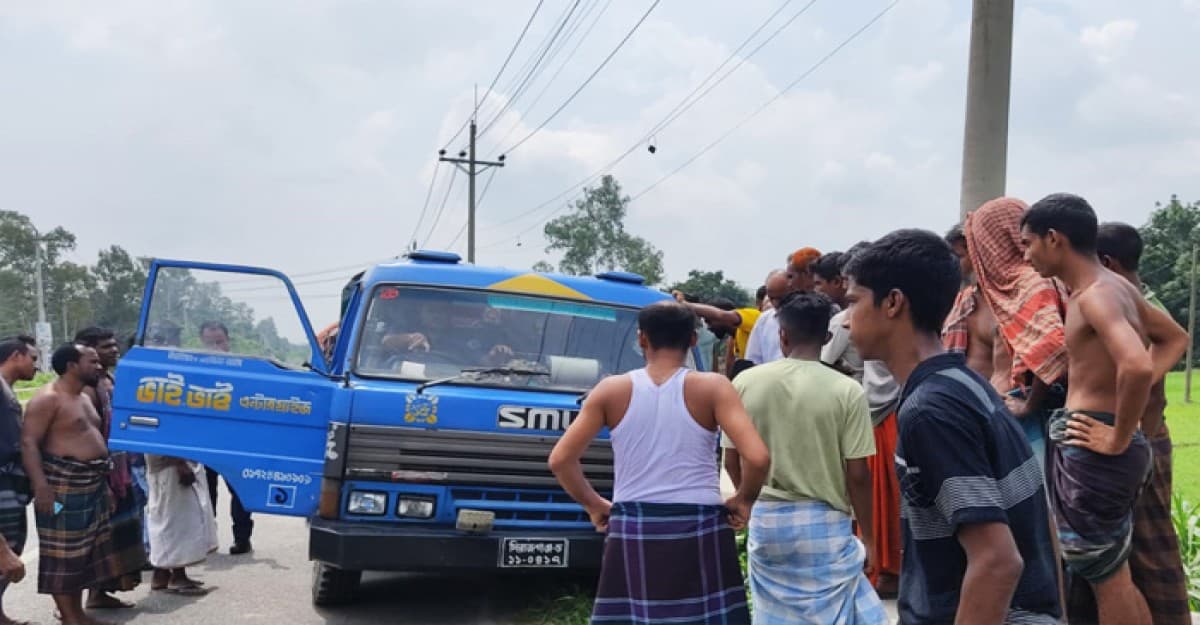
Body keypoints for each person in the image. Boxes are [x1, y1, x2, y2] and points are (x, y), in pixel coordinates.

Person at [844, 229, 1061, 625]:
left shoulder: (930, 412)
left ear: (893, 303)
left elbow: (997, 561)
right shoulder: (967, 385)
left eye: (854, 302)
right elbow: (1044, 525)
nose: (844, 322)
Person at [549, 301, 769, 625]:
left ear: (641, 339)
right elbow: (758, 456)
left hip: (633, 521)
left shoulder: (611, 389)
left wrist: (595, 504)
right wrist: (744, 499)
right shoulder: (713, 387)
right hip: (701, 522)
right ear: (693, 339)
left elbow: (561, 460)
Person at [1021, 194, 1186, 625]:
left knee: (1105, 575)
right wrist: (1130, 405)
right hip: (1104, 439)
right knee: (1109, 569)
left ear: (1054, 238)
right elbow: (1174, 339)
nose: (1027, 255)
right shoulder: (1118, 289)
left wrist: (1117, 434)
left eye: (1028, 243)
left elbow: (1133, 363)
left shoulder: (1095, 295)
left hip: (1097, 446)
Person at [1060, 222, 1192, 625]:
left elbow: (1146, 371)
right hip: (1133, 442)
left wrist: (1120, 432)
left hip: (1139, 442)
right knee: (1113, 562)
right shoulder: (1130, 299)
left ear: (1106, 262)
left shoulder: (1124, 302)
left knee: (1146, 557)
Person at [732, 293, 886, 625]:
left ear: (782, 335)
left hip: (767, 522)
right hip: (825, 524)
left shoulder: (746, 381)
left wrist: (747, 502)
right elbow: (858, 475)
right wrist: (870, 539)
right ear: (827, 338)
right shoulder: (847, 391)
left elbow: (731, 458)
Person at [819, 244, 903, 598]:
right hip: (882, 402)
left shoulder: (843, 322)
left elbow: (824, 361)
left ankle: (885, 567)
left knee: (879, 491)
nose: (850, 318)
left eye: (856, 298)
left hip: (880, 408)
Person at [965, 197, 1069, 468]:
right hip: (1000, 412)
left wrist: (1030, 404)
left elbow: (1054, 348)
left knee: (1033, 499)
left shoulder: (1032, 282)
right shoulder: (996, 288)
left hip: (1027, 415)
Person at [22, 344, 119, 625]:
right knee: (63, 555)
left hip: (93, 483)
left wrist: (107, 486)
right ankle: (69, 616)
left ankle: (76, 614)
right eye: (93, 361)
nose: (99, 366)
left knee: (85, 553)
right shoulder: (48, 398)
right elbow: (29, 442)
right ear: (72, 365)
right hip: (63, 485)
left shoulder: (84, 398)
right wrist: (41, 487)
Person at [75, 327, 146, 610]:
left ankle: (100, 592)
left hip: (121, 467)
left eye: (115, 345)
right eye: (107, 347)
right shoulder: (85, 388)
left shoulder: (108, 379)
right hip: (102, 472)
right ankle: (75, 601)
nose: (114, 350)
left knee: (115, 536)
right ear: (88, 350)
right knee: (94, 539)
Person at [198, 321, 253, 555]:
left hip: (235, 442)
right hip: (205, 442)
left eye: (219, 341)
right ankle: (206, 540)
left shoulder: (243, 368)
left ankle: (242, 539)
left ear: (228, 341)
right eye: (209, 342)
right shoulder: (196, 369)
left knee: (240, 493)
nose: (215, 347)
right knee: (205, 494)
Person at [0, 336, 36, 625]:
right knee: (6, 551)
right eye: (32, 358)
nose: (36, 365)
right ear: (15, 356)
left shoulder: (7, 391)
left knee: (14, 544)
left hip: (12, 482)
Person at [144, 452, 217, 596]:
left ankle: (162, 574)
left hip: (171, 464)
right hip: (168, 465)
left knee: (176, 520)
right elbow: (164, 436)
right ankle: (177, 576)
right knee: (174, 523)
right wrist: (179, 463)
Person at [942, 225, 1001, 383]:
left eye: (959, 257)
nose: (955, 265)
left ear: (979, 253)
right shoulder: (963, 301)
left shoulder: (1005, 303)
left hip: (998, 400)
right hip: (960, 396)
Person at [672, 290, 761, 375]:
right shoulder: (737, 338)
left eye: (709, 321)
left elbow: (721, 315)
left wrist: (683, 303)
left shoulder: (754, 317)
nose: (709, 327)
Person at [743, 269, 795, 365]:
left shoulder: (806, 318)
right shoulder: (764, 320)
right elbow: (753, 359)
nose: (775, 303)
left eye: (780, 298)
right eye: (771, 298)